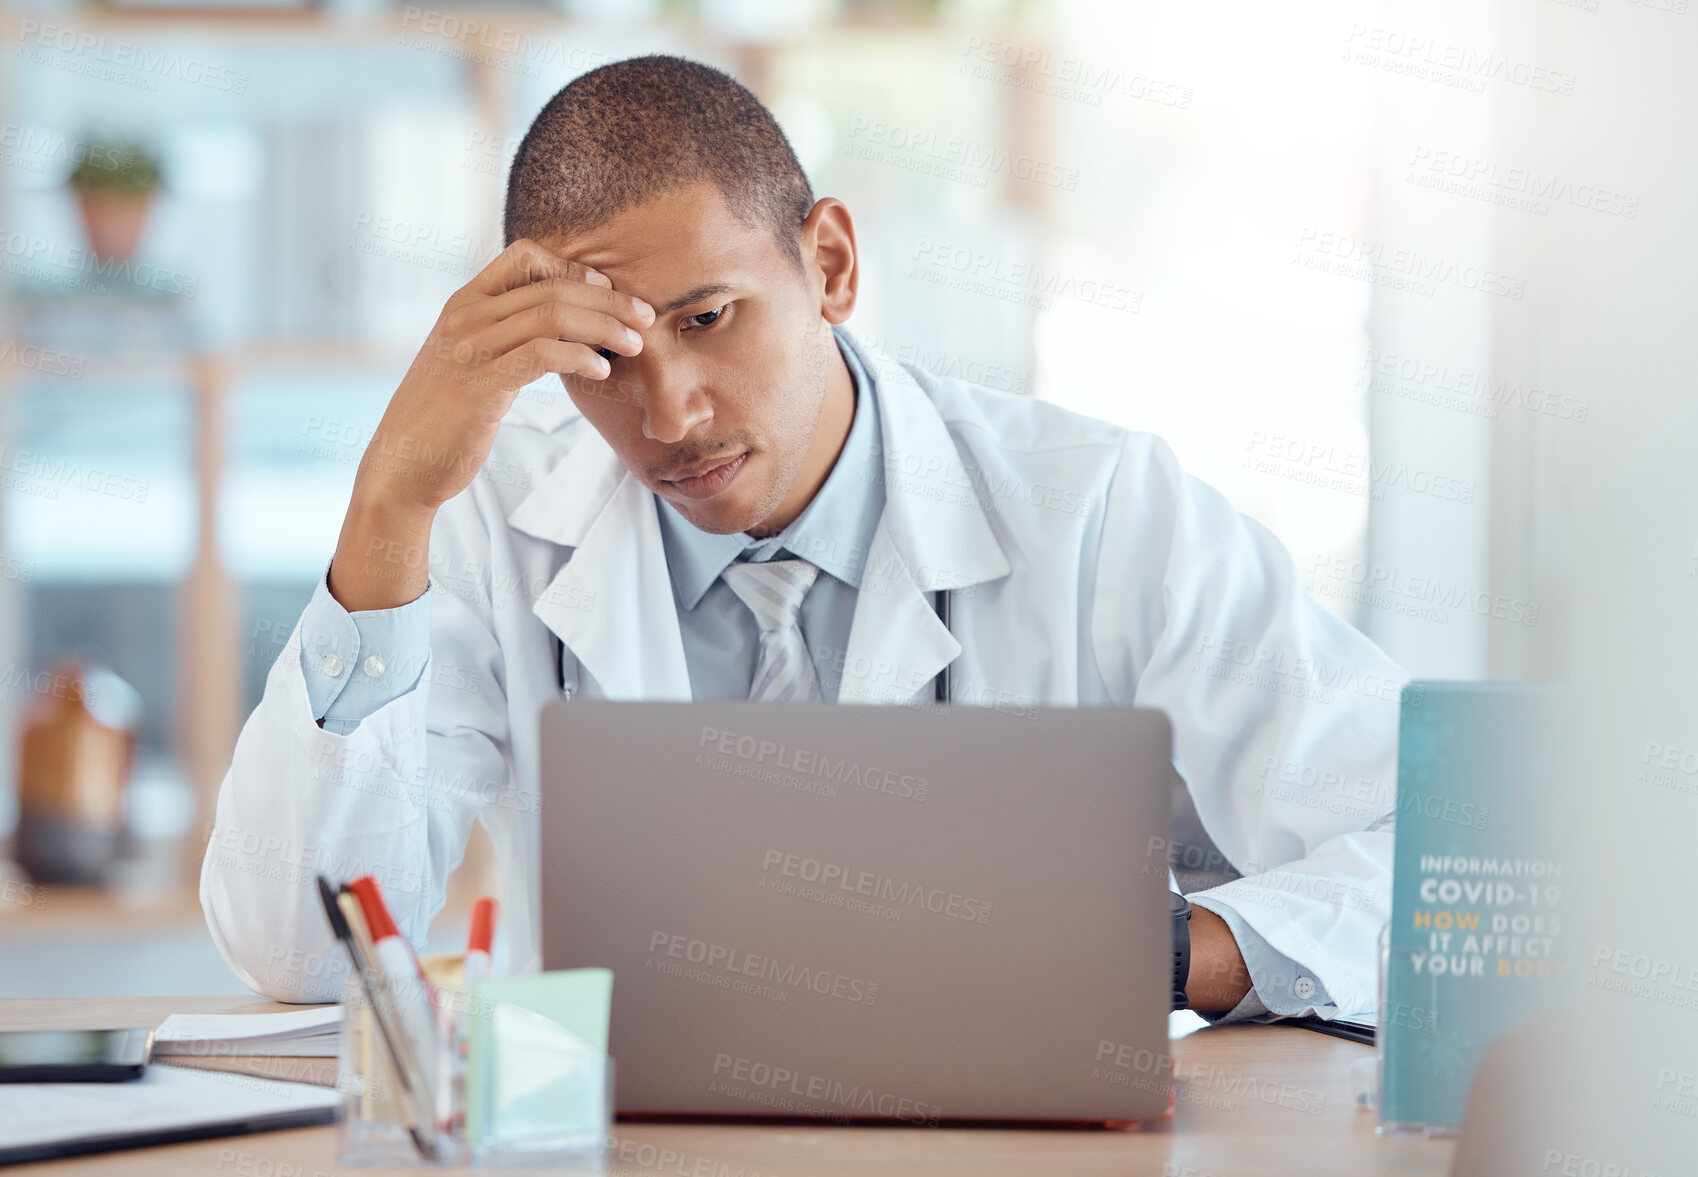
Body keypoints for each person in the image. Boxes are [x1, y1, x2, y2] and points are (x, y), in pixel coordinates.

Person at [201, 55, 1405, 1023]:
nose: (667, 415)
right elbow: (299, 952)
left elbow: (1421, 859)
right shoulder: (479, 529)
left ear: (828, 263)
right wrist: (386, 510)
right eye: (605, 359)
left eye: (709, 319)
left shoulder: (1104, 511)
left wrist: (1155, 948)